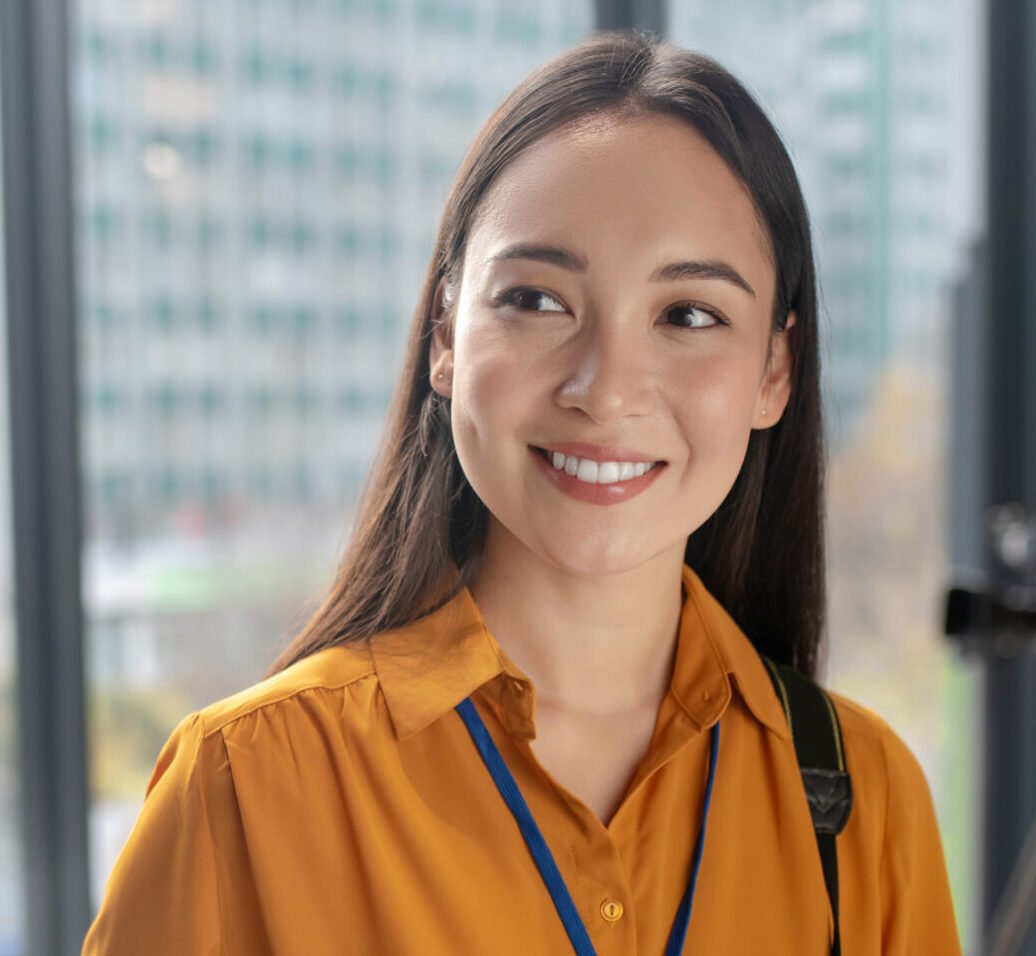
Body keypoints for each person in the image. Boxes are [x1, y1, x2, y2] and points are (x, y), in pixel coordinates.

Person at [84, 32, 961, 955]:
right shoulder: (249, 787)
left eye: (689, 315)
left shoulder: (860, 796)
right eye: (537, 301)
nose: (605, 388)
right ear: (445, 338)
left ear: (773, 371)